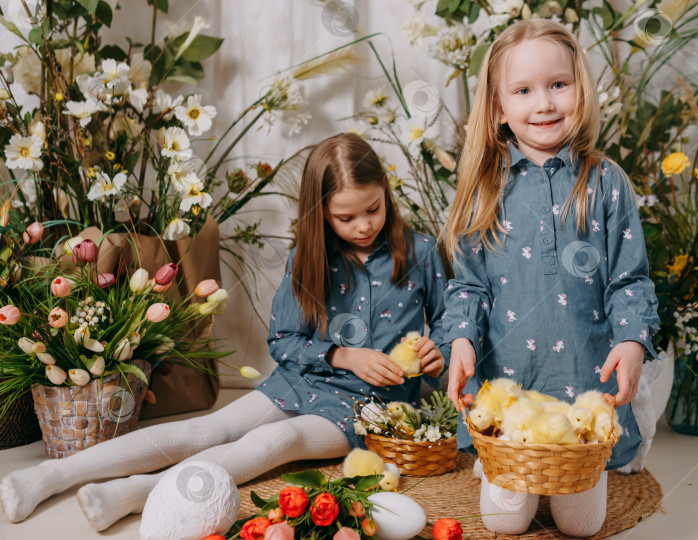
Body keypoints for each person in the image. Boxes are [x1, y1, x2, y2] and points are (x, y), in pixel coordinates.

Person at [0, 133, 447, 531]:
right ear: (320, 213)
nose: (364, 225)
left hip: (367, 407)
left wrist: (436, 352)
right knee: (207, 430)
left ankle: (139, 492)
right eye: (345, 218)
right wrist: (344, 356)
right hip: (301, 381)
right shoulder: (307, 258)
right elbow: (284, 342)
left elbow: (450, 322)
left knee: (277, 441)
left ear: (386, 193)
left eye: (373, 209)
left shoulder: (422, 252)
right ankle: (48, 475)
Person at [440, 20, 660, 537]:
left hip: (586, 391)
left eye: (558, 84)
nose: (544, 103)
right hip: (510, 392)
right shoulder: (483, 190)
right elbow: (467, 285)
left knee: (580, 526)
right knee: (505, 523)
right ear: (498, 108)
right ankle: (497, 463)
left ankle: (575, 471)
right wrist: (461, 338)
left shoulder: (605, 182)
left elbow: (630, 279)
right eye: (523, 90)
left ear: (580, 89)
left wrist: (632, 340)